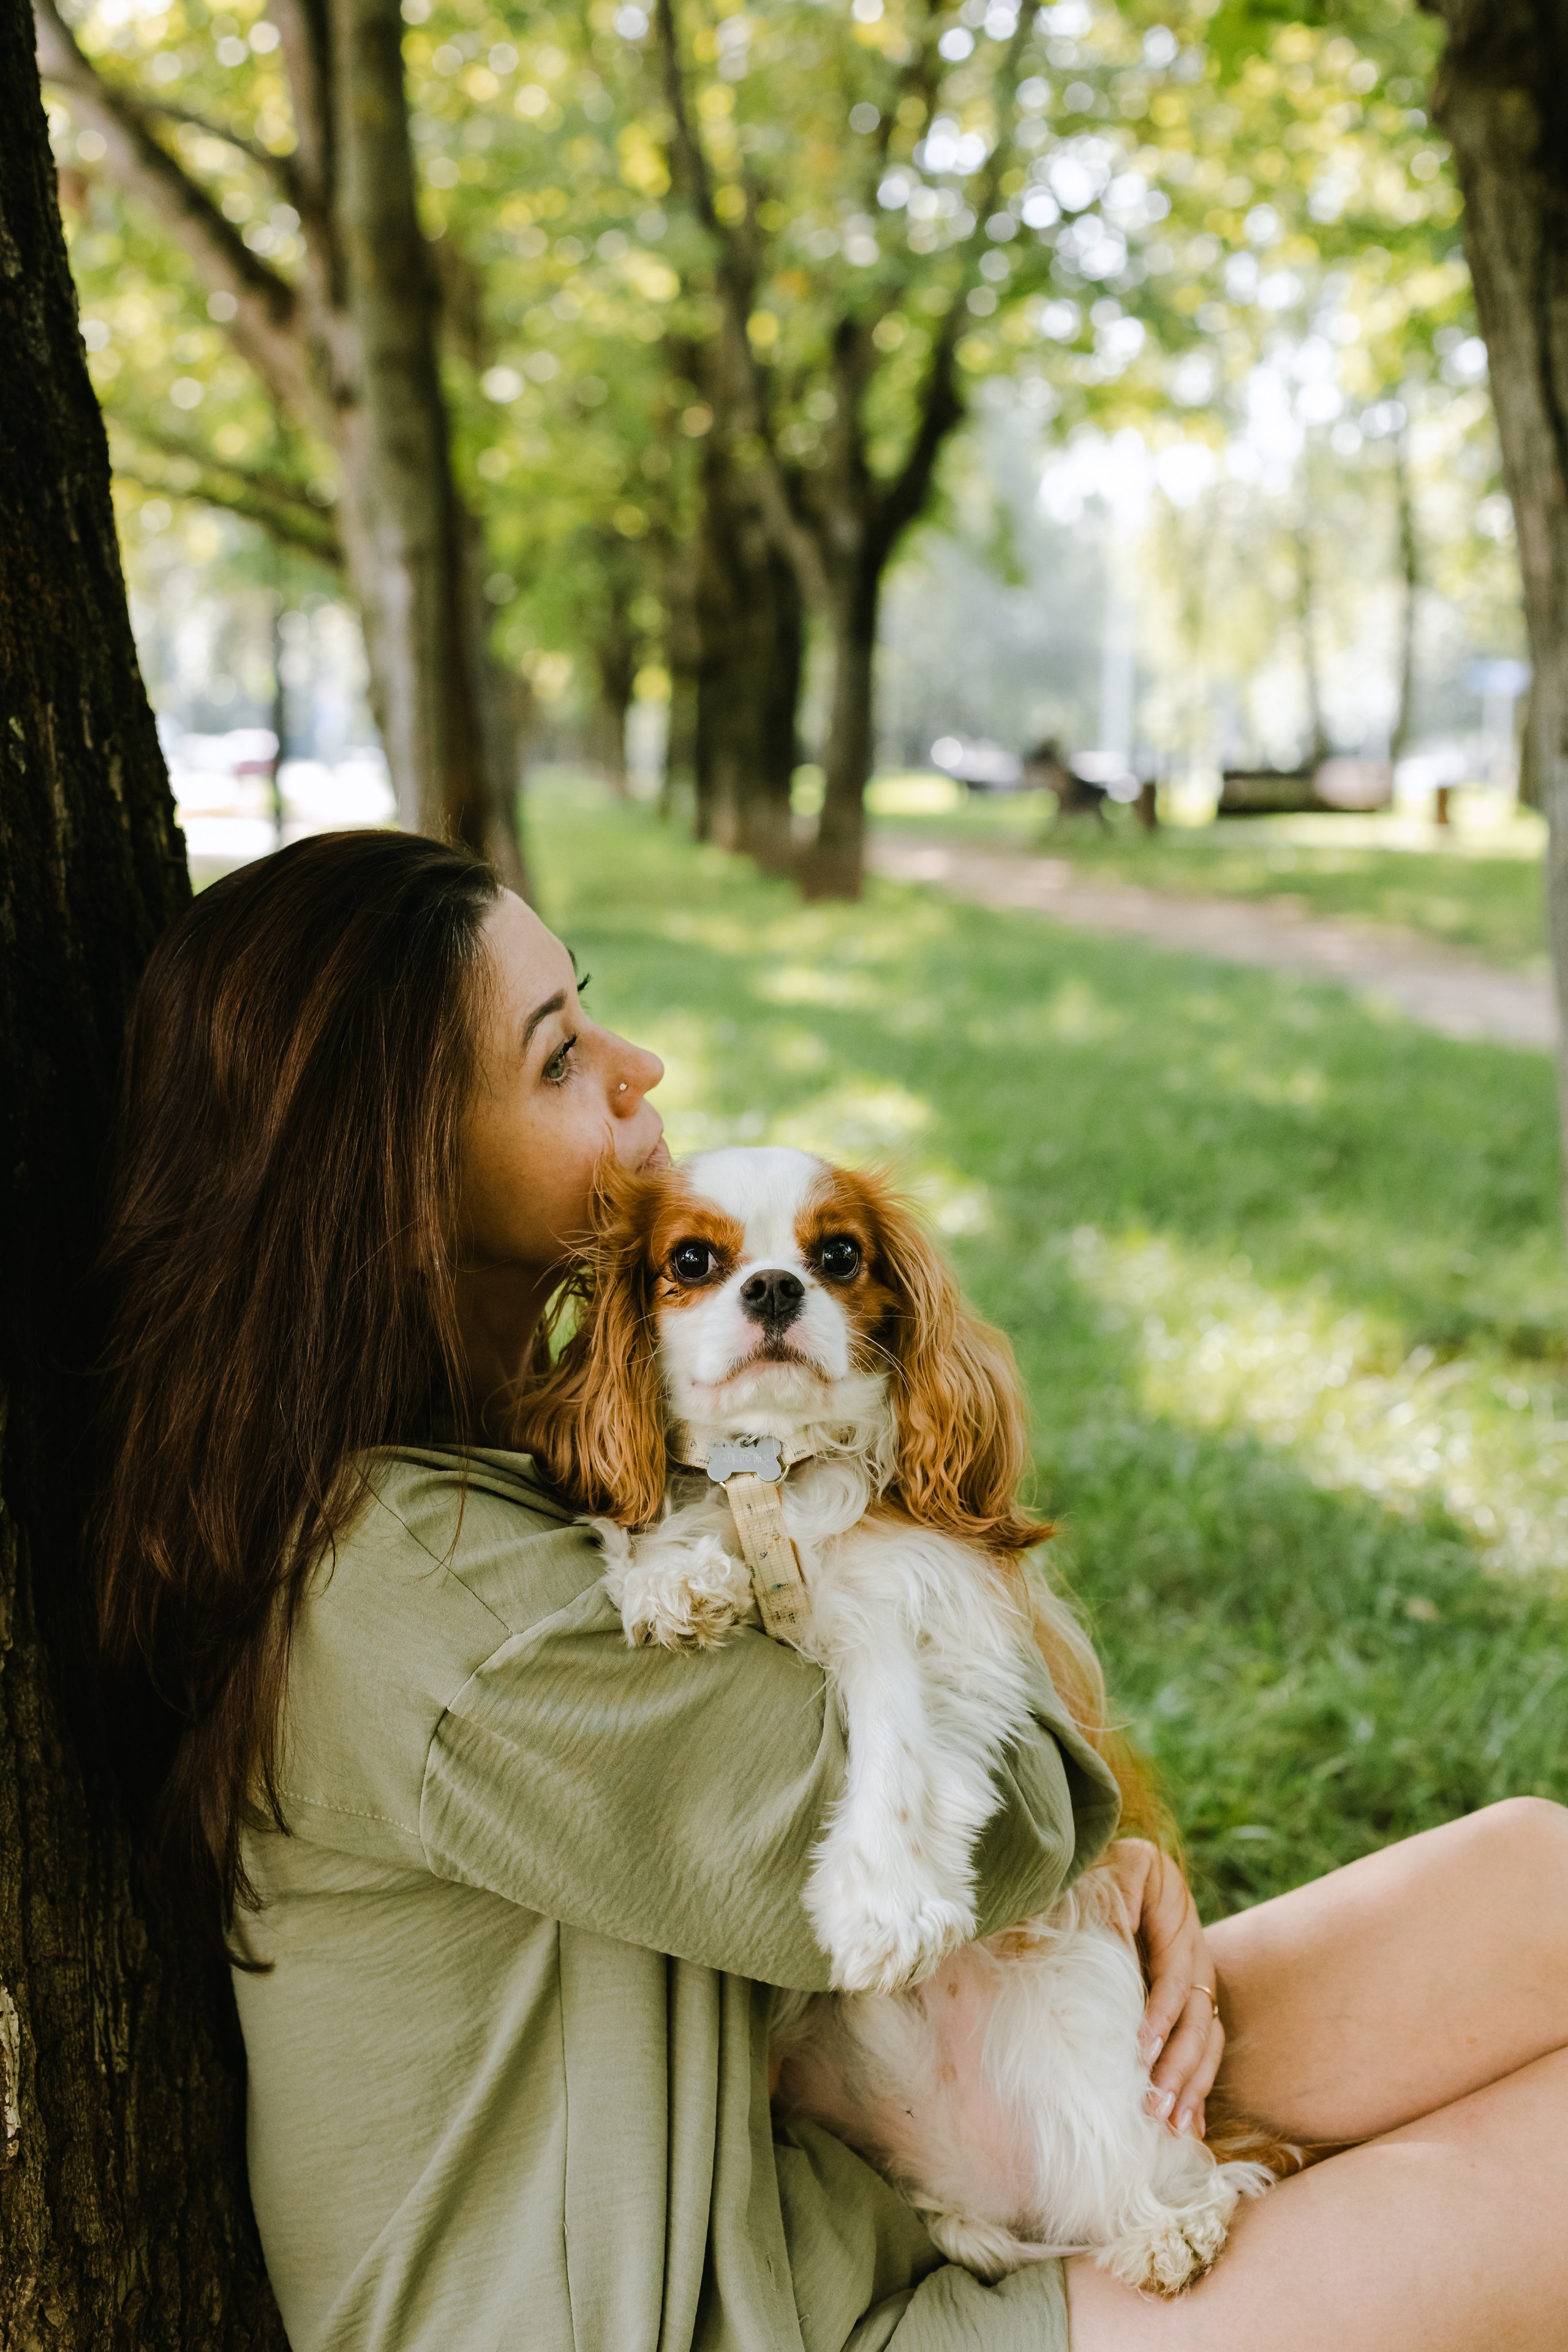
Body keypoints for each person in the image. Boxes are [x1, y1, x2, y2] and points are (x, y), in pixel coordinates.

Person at [97, 831, 1568, 2352]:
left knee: (1537, 1877)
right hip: (750, 2314)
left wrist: (1080, 1856)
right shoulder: (402, 1594)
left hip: (854, 2156)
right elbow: (979, 1839)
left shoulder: (481, 1470)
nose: (638, 1063)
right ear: (390, 1179)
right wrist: (1082, 1838)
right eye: (558, 1059)